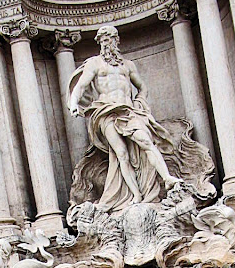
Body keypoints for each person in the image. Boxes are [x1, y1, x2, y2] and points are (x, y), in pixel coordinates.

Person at [68, 26, 179, 213]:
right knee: (121, 154)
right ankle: (135, 194)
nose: (106, 44)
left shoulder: (128, 65)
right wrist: (73, 103)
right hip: (106, 111)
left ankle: (167, 178)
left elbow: (142, 87)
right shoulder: (94, 64)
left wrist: (140, 101)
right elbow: (80, 86)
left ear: (116, 41)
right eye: (103, 40)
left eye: (109, 39)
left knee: (145, 141)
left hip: (128, 110)